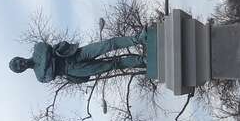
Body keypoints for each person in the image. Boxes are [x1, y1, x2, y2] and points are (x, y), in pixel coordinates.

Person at [9, 31, 146, 84]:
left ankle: (137, 39)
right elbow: (49, 74)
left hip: (75, 54)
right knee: (112, 65)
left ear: (20, 57)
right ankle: (141, 61)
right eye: (18, 67)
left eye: (17, 61)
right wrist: (49, 59)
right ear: (21, 71)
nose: (20, 64)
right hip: (74, 70)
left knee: (107, 44)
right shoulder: (39, 77)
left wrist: (48, 63)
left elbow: (46, 50)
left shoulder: (37, 48)